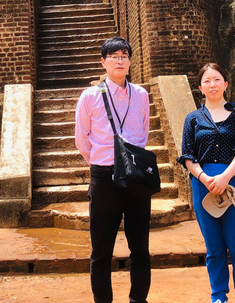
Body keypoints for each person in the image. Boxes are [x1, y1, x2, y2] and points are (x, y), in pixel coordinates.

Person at [75, 37, 152, 303]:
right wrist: (101, 161)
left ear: (130, 62)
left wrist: (129, 163)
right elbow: (82, 139)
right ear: (103, 62)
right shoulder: (90, 96)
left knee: (140, 248)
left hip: (135, 179)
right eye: (114, 56)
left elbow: (144, 133)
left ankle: (137, 300)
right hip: (104, 177)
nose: (120, 61)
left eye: (124, 56)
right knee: (101, 250)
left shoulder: (141, 95)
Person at [178, 63, 235, 303]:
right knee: (214, 247)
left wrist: (224, 177)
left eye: (217, 80)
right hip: (203, 184)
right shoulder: (192, 119)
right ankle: (218, 296)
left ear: (225, 84)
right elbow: (187, 156)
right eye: (207, 81)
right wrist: (204, 177)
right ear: (200, 87)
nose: (212, 84)